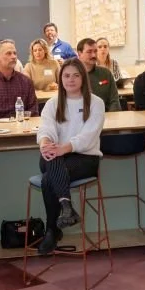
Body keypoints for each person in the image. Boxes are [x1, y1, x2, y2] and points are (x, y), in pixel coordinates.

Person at [34, 59, 106, 255]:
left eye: (76, 75)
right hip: (56, 155)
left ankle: (52, 230)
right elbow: (46, 128)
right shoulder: (53, 103)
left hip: (85, 157)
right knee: (50, 158)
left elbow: (89, 136)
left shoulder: (96, 103)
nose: (71, 80)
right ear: (60, 78)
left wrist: (63, 148)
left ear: (83, 78)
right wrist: (45, 143)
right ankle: (66, 207)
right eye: (66, 76)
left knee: (49, 179)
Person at [0, 40, 38, 119]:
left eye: (15, 53)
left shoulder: (26, 82)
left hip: (22, 128)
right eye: (9, 53)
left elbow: (33, 112)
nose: (13, 57)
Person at [75, 37, 122, 111]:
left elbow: (114, 101)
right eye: (89, 52)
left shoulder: (106, 73)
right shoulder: (72, 75)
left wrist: (112, 117)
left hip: (106, 117)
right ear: (79, 53)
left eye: (95, 51)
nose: (94, 55)